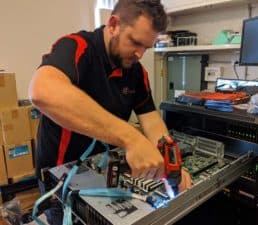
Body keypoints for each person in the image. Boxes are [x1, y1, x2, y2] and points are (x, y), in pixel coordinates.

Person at [28, 0, 192, 224]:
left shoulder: (136, 73)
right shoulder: (76, 47)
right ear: (113, 24)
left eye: (146, 47)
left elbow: (151, 120)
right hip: (60, 179)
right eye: (135, 42)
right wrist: (131, 138)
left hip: (103, 175)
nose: (139, 54)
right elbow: (41, 91)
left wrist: (171, 164)